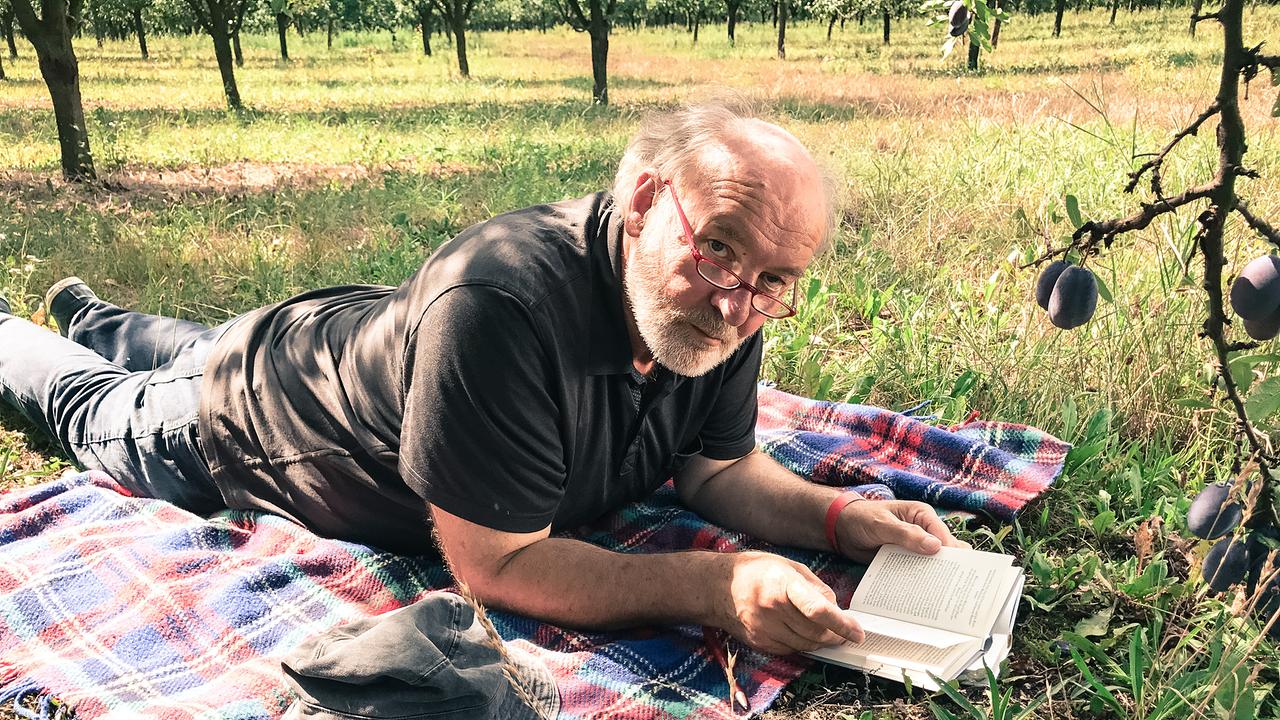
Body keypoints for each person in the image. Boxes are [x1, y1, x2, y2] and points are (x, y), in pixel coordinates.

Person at [0, 101, 964, 657]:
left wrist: (842, 518)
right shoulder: (497, 309)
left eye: (771, 282)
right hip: (248, 416)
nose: (737, 303)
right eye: (717, 253)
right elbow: (497, 565)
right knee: (95, 407)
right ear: (640, 201)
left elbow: (716, 471)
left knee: (192, 339)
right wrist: (716, 588)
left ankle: (96, 313)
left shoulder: (729, 301)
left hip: (347, 335)